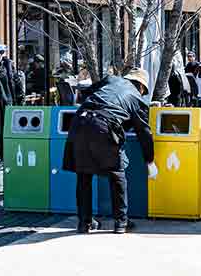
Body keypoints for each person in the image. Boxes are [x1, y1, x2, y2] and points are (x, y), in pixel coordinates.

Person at [63, 68, 156, 234]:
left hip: (79, 122)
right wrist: (149, 159)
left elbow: (87, 92)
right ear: (141, 87)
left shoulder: (111, 80)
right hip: (104, 126)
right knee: (117, 174)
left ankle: (84, 223)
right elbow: (144, 132)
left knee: (84, 175)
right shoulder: (137, 99)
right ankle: (121, 222)